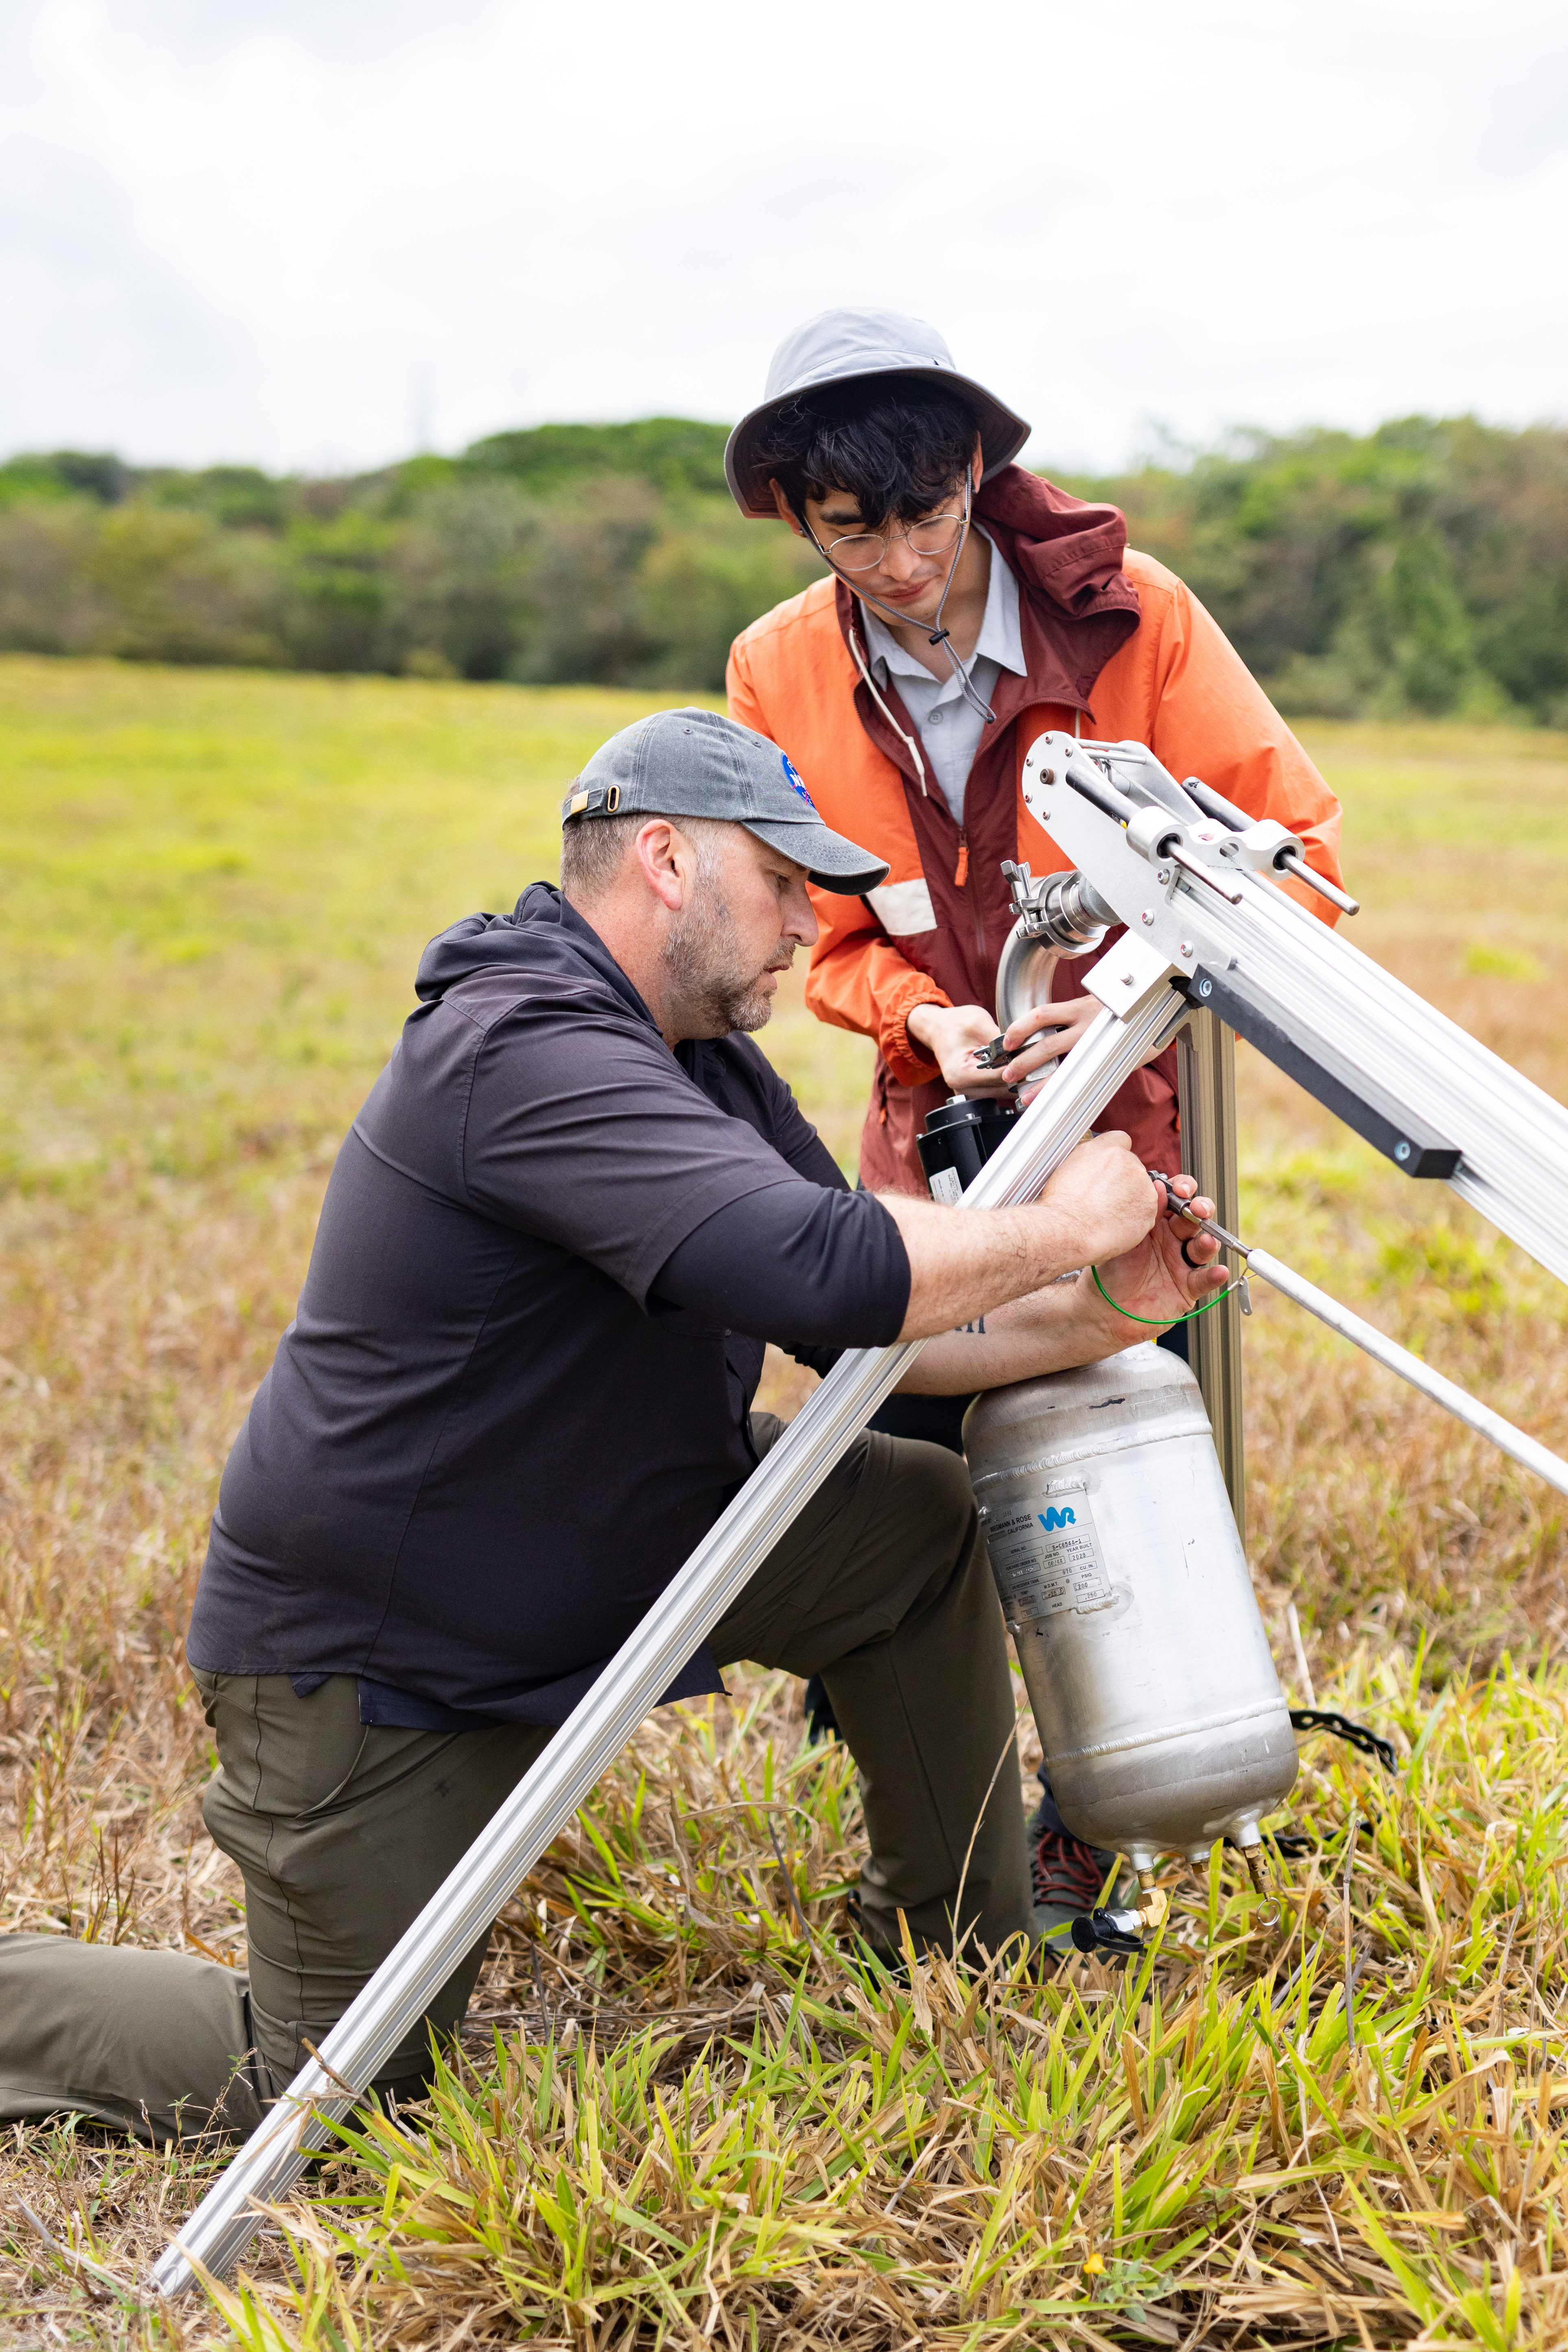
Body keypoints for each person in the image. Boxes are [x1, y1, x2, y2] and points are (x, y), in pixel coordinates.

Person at [0, 709, 1223, 2146]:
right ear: (665, 859)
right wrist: (1060, 1219)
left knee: (909, 1527)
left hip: (626, 1538)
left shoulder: (693, 1054)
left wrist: (1104, 1306)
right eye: (782, 887)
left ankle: (955, 1943)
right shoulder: (518, 1044)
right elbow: (819, 1263)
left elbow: (864, 1328)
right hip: (400, 1647)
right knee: (325, 2093)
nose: (802, 928)